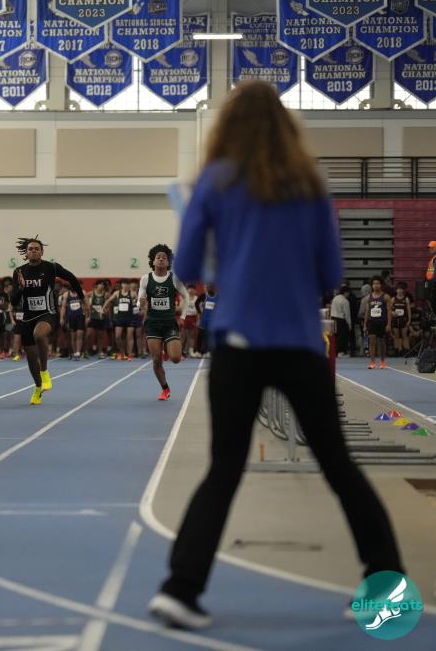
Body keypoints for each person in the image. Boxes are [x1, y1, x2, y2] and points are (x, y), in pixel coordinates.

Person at [150, 80, 403, 631]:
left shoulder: (214, 182)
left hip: (238, 343)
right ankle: (387, 585)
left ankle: (180, 589)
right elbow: (331, 273)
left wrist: (229, 260)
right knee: (337, 464)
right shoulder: (309, 183)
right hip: (297, 343)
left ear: (227, 127)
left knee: (224, 469)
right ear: (287, 127)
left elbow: (187, 264)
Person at [10, 237, 84, 405]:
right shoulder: (19, 272)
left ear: (42, 252)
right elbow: (13, 301)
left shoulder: (51, 268)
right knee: (30, 358)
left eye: (37, 249)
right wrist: (21, 288)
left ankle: (44, 371)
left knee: (39, 335)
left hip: (47, 313)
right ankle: (38, 388)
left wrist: (82, 298)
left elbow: (72, 278)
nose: (34, 251)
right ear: (26, 253)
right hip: (28, 317)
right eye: (30, 249)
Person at [140, 244, 189, 400]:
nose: (161, 259)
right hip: (153, 324)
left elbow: (186, 297)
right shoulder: (145, 279)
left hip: (169, 323)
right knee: (156, 360)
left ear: (168, 262)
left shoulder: (174, 278)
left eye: (164, 257)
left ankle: (168, 349)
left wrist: (183, 317)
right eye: (158, 257)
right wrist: (140, 303)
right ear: (153, 261)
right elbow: (140, 301)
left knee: (175, 358)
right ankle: (165, 389)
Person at [101, 278, 136, 361]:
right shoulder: (117, 293)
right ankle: (122, 352)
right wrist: (103, 309)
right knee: (117, 337)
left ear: (129, 285)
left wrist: (137, 304)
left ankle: (129, 354)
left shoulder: (133, 293)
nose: (125, 285)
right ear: (122, 285)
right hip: (120, 318)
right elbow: (108, 300)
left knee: (129, 336)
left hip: (130, 318)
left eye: (127, 284)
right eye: (124, 284)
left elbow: (139, 302)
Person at [363, 275, 393, 370]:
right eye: (374, 283)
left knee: (381, 342)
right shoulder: (368, 297)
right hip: (372, 322)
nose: (376, 285)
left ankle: (382, 361)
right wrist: (365, 324)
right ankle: (372, 362)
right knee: (372, 341)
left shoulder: (386, 297)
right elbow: (367, 312)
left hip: (382, 322)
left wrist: (389, 324)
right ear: (372, 285)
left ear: (381, 285)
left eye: (378, 283)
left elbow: (389, 311)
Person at [59, 283, 86, 360]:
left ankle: (78, 352)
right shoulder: (66, 294)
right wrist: (61, 318)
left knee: (79, 334)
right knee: (73, 335)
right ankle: (74, 353)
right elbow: (63, 307)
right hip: (71, 317)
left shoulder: (82, 293)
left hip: (80, 317)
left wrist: (88, 316)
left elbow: (87, 304)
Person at [329, 285, 352, 357]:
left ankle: (335, 352)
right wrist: (349, 324)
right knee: (342, 336)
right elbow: (347, 314)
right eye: (348, 293)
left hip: (333, 318)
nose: (348, 294)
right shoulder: (345, 301)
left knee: (335, 336)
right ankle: (341, 352)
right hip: (341, 320)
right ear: (345, 292)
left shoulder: (335, 298)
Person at [390, 282, 412, 356]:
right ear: (396, 290)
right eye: (398, 289)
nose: (399, 291)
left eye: (401, 289)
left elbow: (409, 310)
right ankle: (397, 350)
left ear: (403, 291)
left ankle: (406, 350)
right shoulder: (393, 299)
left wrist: (409, 320)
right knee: (396, 336)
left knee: (404, 335)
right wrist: (392, 312)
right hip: (395, 320)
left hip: (404, 319)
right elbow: (389, 309)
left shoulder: (406, 299)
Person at [197, 283, 218, 357]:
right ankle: (203, 351)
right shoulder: (205, 296)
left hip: (213, 321)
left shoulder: (217, 297)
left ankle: (210, 351)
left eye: (211, 287)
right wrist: (200, 314)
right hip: (204, 320)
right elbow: (197, 304)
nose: (209, 288)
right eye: (208, 287)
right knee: (204, 337)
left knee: (211, 337)